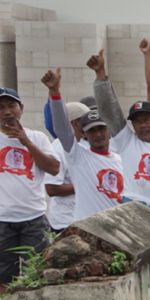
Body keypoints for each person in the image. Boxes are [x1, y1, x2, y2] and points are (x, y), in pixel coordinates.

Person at [86, 47, 150, 217]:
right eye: (137, 121)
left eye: (147, 119)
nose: (142, 125)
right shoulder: (128, 142)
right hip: (132, 212)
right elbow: (109, 111)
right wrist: (100, 74)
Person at [0, 84, 61, 285]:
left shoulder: (37, 137)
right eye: (1, 107)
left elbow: (53, 168)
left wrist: (26, 141)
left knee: (36, 275)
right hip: (2, 220)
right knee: (3, 278)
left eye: (11, 106)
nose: (7, 112)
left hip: (33, 219)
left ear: (21, 109)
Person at [45, 70, 123, 217]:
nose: (98, 134)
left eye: (101, 128)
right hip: (87, 230)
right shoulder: (78, 156)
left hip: (117, 229)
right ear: (84, 133)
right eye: (92, 130)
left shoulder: (120, 160)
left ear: (108, 130)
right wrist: (54, 92)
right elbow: (62, 129)